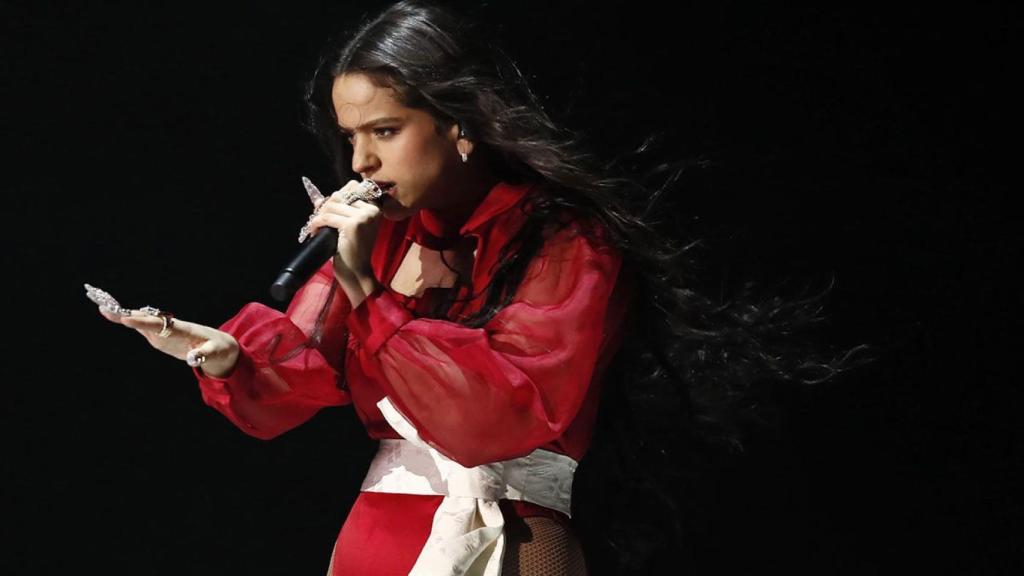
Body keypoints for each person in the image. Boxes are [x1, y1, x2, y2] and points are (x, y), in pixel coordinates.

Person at [92, 1, 873, 574]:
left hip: (510, 538)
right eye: (350, 137)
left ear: (460, 123)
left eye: (385, 131)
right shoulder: (386, 238)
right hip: (377, 539)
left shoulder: (568, 241)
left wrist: (368, 289)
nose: (360, 162)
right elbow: (300, 378)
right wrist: (228, 358)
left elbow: (492, 417)